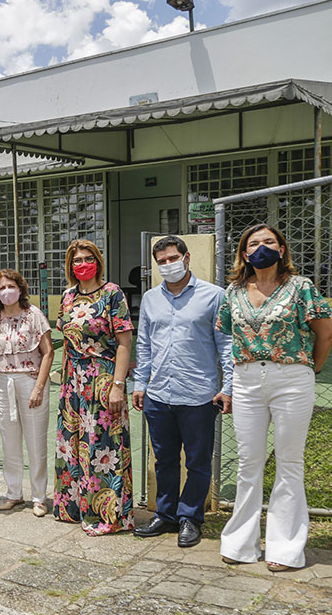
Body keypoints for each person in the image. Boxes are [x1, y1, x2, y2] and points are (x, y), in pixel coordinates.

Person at [217, 223, 332, 571]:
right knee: (249, 463)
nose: (262, 247)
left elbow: (324, 335)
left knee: (289, 463)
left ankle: (285, 549)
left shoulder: (301, 288)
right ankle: (240, 543)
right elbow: (226, 332)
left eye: (270, 242)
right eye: (254, 243)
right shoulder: (233, 292)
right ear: (244, 253)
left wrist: (305, 370)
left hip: (291, 379)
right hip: (247, 379)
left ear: (282, 250)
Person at [132, 236, 233, 548]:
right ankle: (166, 514)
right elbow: (145, 344)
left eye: (172, 258)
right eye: (161, 261)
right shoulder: (150, 299)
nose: (167, 265)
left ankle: (190, 517)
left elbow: (226, 344)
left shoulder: (214, 296)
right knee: (163, 459)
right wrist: (140, 383)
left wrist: (228, 386)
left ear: (187, 258)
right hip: (159, 395)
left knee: (198, 461)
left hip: (199, 394)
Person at [54, 239, 135, 535]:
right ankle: (74, 507)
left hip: (102, 378)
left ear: (98, 261)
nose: (82, 264)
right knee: (73, 445)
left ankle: (107, 515)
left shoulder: (112, 294)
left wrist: (118, 385)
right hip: (71, 381)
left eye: (88, 258)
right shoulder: (67, 296)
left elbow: (125, 342)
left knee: (103, 446)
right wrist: (64, 383)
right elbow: (66, 339)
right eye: (76, 260)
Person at [0, 269, 54, 517]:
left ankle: (39, 496)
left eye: (11, 286)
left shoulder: (33, 315)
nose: (6, 292)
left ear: (21, 289)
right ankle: (13, 493)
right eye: (1, 288)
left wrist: (39, 387)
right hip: (2, 382)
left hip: (29, 380)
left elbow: (48, 352)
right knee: (8, 440)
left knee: (35, 441)